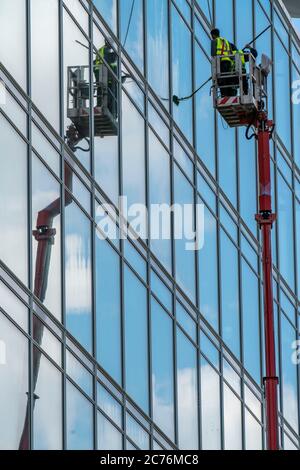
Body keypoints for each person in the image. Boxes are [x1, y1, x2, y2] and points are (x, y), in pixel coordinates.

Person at [94, 38, 118, 116]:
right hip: (103, 73)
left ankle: (101, 105)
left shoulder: (102, 50)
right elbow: (107, 60)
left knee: (101, 90)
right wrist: (114, 55)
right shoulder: (105, 50)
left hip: (101, 73)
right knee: (105, 91)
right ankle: (104, 107)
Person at [211, 28, 234, 97]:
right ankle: (230, 94)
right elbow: (231, 53)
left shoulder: (215, 41)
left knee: (221, 79)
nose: (212, 37)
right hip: (228, 62)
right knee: (228, 78)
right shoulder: (226, 41)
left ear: (214, 35)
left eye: (212, 35)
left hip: (222, 62)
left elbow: (213, 54)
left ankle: (224, 94)